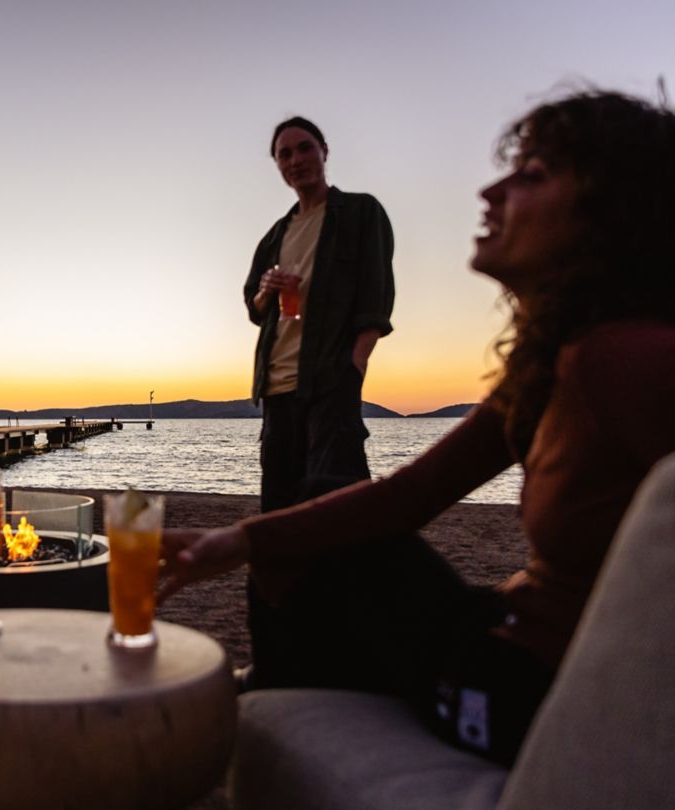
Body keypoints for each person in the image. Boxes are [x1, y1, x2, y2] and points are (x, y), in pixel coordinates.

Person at [166, 90, 675, 766]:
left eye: (531, 175)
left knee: (318, 505)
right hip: (501, 627)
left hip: (524, 689)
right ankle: (284, 681)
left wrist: (354, 359)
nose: (490, 189)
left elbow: (373, 293)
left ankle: (286, 689)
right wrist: (233, 540)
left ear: (610, 211)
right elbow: (409, 495)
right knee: (305, 517)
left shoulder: (624, 361)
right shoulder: (552, 363)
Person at [245, 116, 395, 514]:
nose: (296, 160)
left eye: (305, 148)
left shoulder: (361, 213)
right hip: (276, 390)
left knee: (339, 509)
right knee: (278, 512)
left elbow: (376, 299)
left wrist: (354, 368)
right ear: (277, 165)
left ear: (324, 151)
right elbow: (254, 308)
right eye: (285, 154)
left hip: (330, 382)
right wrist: (266, 292)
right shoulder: (275, 236)